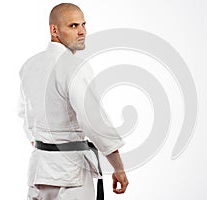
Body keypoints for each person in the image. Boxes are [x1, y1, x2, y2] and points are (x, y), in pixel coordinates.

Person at [18, 3, 128, 200]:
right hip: (70, 177)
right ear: (54, 30)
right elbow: (94, 121)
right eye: (73, 26)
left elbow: (25, 113)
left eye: (84, 24)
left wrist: (44, 141)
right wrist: (118, 167)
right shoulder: (74, 67)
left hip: (39, 171)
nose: (82, 31)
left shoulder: (30, 65)